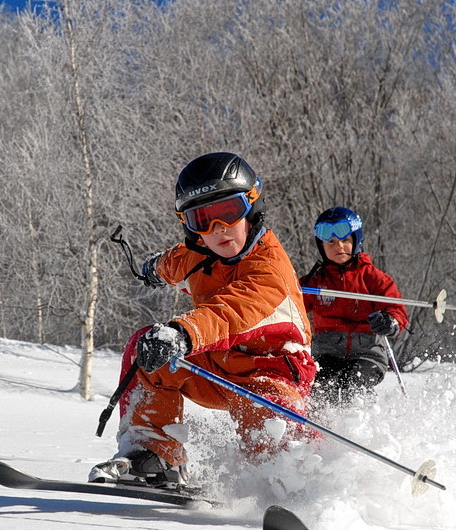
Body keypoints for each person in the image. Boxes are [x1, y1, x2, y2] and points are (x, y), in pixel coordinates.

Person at [89, 152, 316, 489]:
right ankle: (154, 455)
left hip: (271, 372)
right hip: (217, 367)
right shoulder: (201, 253)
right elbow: (176, 262)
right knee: (146, 349)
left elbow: (229, 313)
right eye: (202, 219)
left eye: (228, 212)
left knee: (266, 423)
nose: (218, 229)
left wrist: (183, 332)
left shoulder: (270, 271)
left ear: (252, 207)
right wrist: (152, 269)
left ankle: (290, 480)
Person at [299, 207, 409, 404]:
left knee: (353, 384)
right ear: (321, 246)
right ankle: (319, 427)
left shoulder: (373, 278)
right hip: (327, 352)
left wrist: (389, 322)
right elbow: (293, 307)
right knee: (323, 387)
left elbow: (397, 310)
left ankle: (362, 425)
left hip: (368, 353)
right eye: (330, 243)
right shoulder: (315, 282)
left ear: (356, 242)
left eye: (345, 241)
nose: (338, 247)